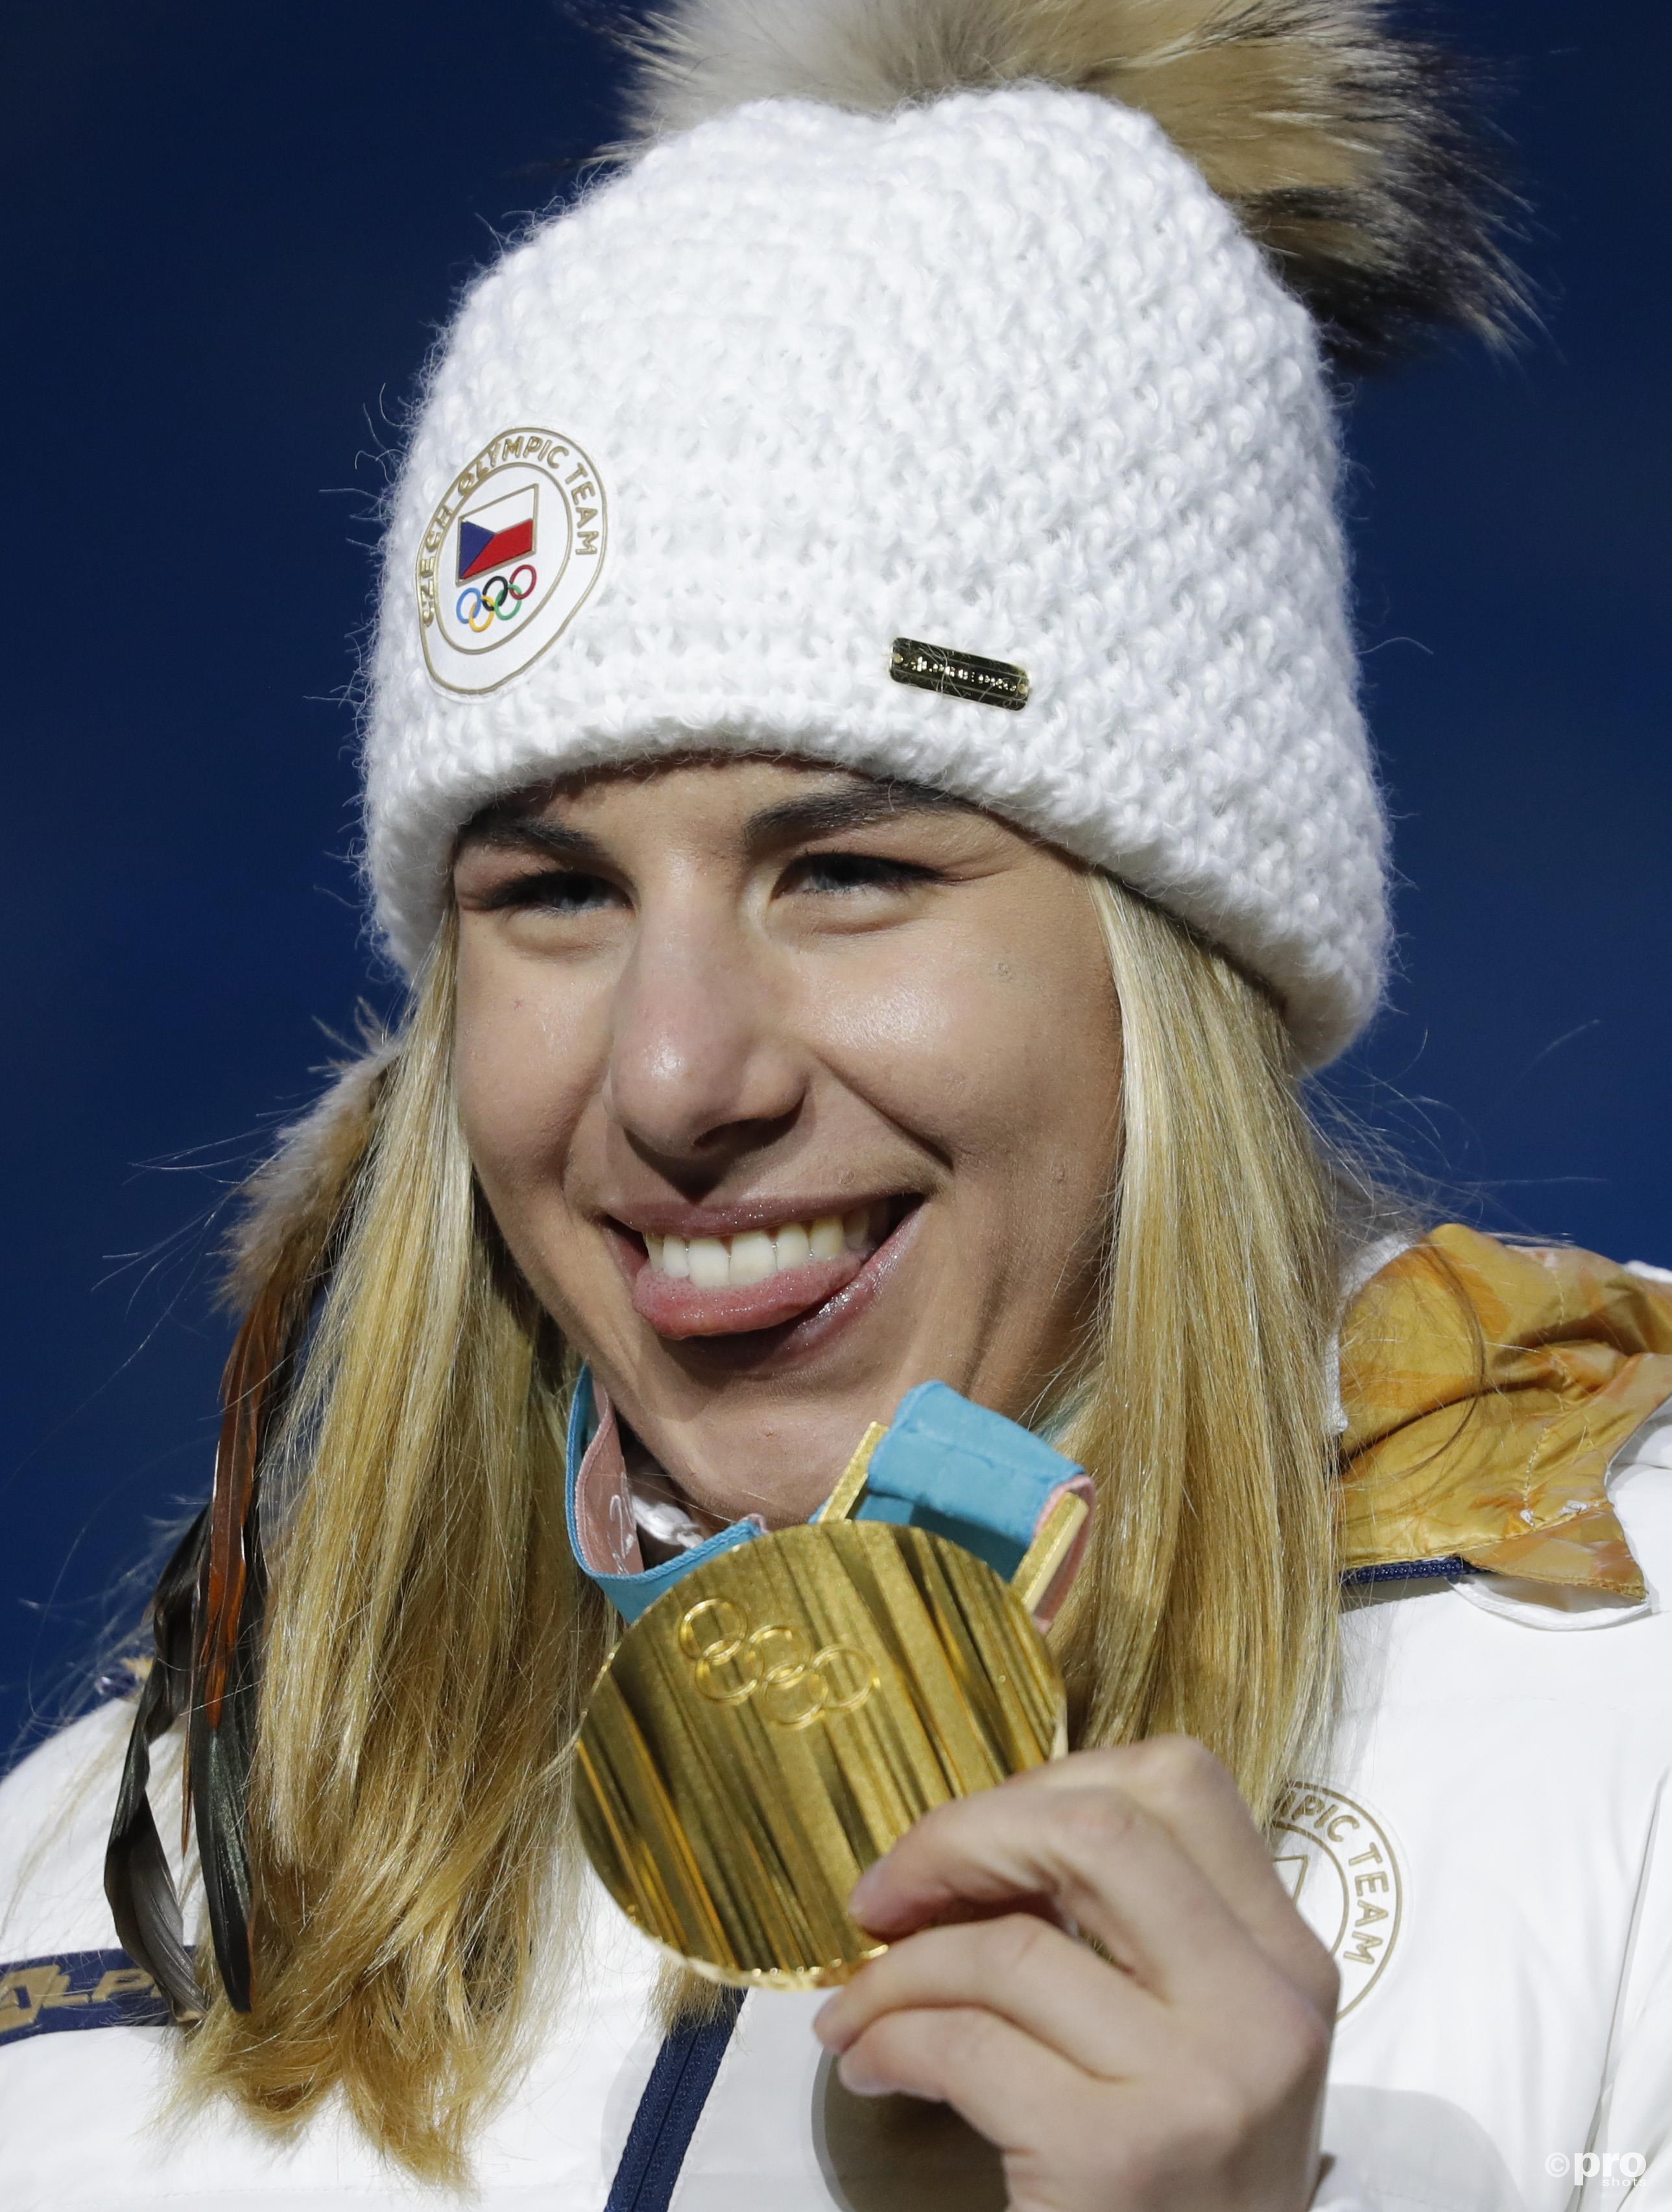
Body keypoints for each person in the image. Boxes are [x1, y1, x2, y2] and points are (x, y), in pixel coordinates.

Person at [4, 1, 1671, 2206]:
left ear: (1176, 954)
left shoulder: (1625, 1742)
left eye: (851, 869)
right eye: (553, 892)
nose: (677, 1076)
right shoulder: (103, 1861)